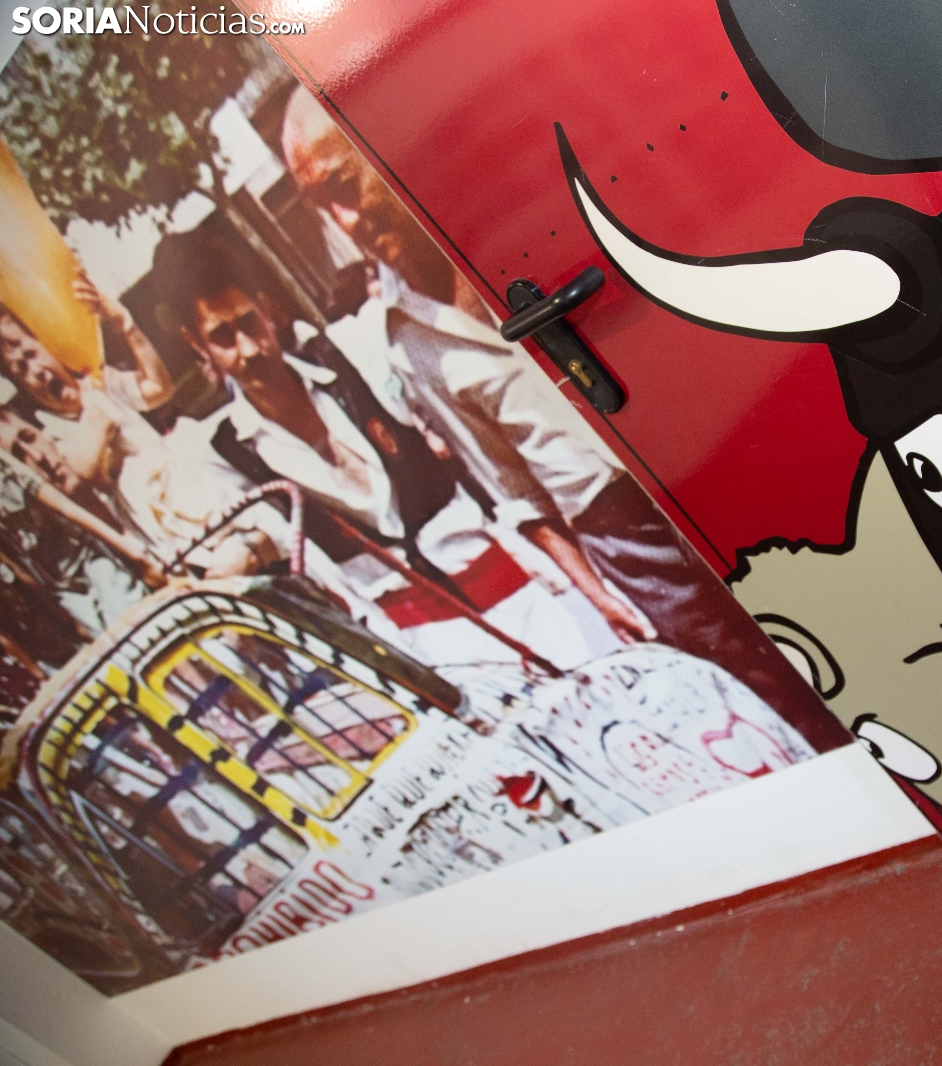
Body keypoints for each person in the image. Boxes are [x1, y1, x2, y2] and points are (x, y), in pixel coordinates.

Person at [278, 87, 797, 702]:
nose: (345, 223)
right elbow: (515, 492)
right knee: (754, 689)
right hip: (622, 535)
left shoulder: (518, 226)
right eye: (321, 208)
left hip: (698, 460)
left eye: (342, 187)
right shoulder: (404, 340)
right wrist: (599, 594)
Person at [151, 228, 622, 715]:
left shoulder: (351, 353)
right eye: (222, 337)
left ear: (266, 310)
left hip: (510, 584)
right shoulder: (225, 452)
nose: (248, 349)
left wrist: (584, 581)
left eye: (249, 323)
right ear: (195, 343)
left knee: (603, 708)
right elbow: (264, 540)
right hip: (429, 645)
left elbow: (486, 450)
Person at [0, 276, 208, 555]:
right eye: (22, 370)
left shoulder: (97, 383)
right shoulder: (48, 432)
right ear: (23, 387)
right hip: (157, 532)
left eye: (32, 354)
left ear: (48, 348)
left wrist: (127, 325)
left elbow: (159, 389)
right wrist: (98, 430)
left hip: (187, 489)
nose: (37, 371)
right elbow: (79, 476)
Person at [0, 410, 165, 639]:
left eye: (30, 437)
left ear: (42, 431)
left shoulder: (97, 466)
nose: (37, 457)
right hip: (77, 590)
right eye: (19, 455)